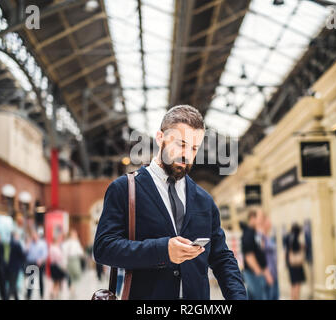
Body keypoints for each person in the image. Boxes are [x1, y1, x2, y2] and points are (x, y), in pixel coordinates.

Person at [94, 105, 247, 300]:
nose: (187, 154)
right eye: (181, 144)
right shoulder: (124, 189)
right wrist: (162, 250)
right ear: (160, 138)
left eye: (193, 148)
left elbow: (222, 258)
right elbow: (103, 248)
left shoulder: (204, 201)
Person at [240, 209, 272, 300]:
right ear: (252, 218)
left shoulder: (254, 233)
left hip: (255, 272)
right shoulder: (248, 233)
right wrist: (257, 270)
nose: (261, 220)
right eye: (259, 218)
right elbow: (249, 255)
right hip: (252, 272)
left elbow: (259, 251)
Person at [25, 229, 48, 300]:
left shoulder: (42, 243)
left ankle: (41, 295)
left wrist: (41, 259)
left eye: (35, 235)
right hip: (31, 263)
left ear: (37, 235)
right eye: (32, 236)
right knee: (31, 280)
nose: (34, 237)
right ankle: (28, 295)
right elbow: (25, 253)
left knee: (40, 280)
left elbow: (45, 254)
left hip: (40, 264)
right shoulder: (30, 243)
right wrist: (28, 244)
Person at [285, 223, 306, 300]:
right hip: (297, 264)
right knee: (297, 283)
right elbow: (296, 249)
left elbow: (287, 249)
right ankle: (297, 298)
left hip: (290, 263)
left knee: (293, 283)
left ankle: (292, 298)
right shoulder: (295, 237)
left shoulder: (288, 236)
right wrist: (301, 246)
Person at [62, 229, 84, 297]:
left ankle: (72, 288)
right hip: (73, 260)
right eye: (74, 234)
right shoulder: (72, 242)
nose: (75, 235)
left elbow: (80, 252)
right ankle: (72, 288)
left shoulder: (73, 242)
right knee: (75, 275)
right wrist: (64, 263)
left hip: (73, 260)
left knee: (72, 276)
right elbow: (80, 253)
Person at [262, 216, 279, 300]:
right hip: (267, 273)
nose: (270, 223)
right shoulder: (261, 237)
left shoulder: (269, 237)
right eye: (268, 221)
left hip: (274, 272)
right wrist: (266, 273)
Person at [7, 231, 25, 300]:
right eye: (17, 235)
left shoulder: (11, 244)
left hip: (11, 267)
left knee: (13, 284)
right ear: (14, 236)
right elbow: (22, 255)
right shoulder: (17, 245)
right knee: (12, 285)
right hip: (15, 267)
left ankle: (16, 298)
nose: (18, 237)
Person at [49, 235, 67, 300]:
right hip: (56, 266)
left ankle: (53, 292)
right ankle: (54, 293)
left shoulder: (52, 247)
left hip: (53, 266)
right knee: (56, 281)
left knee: (55, 281)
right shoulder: (55, 248)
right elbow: (58, 258)